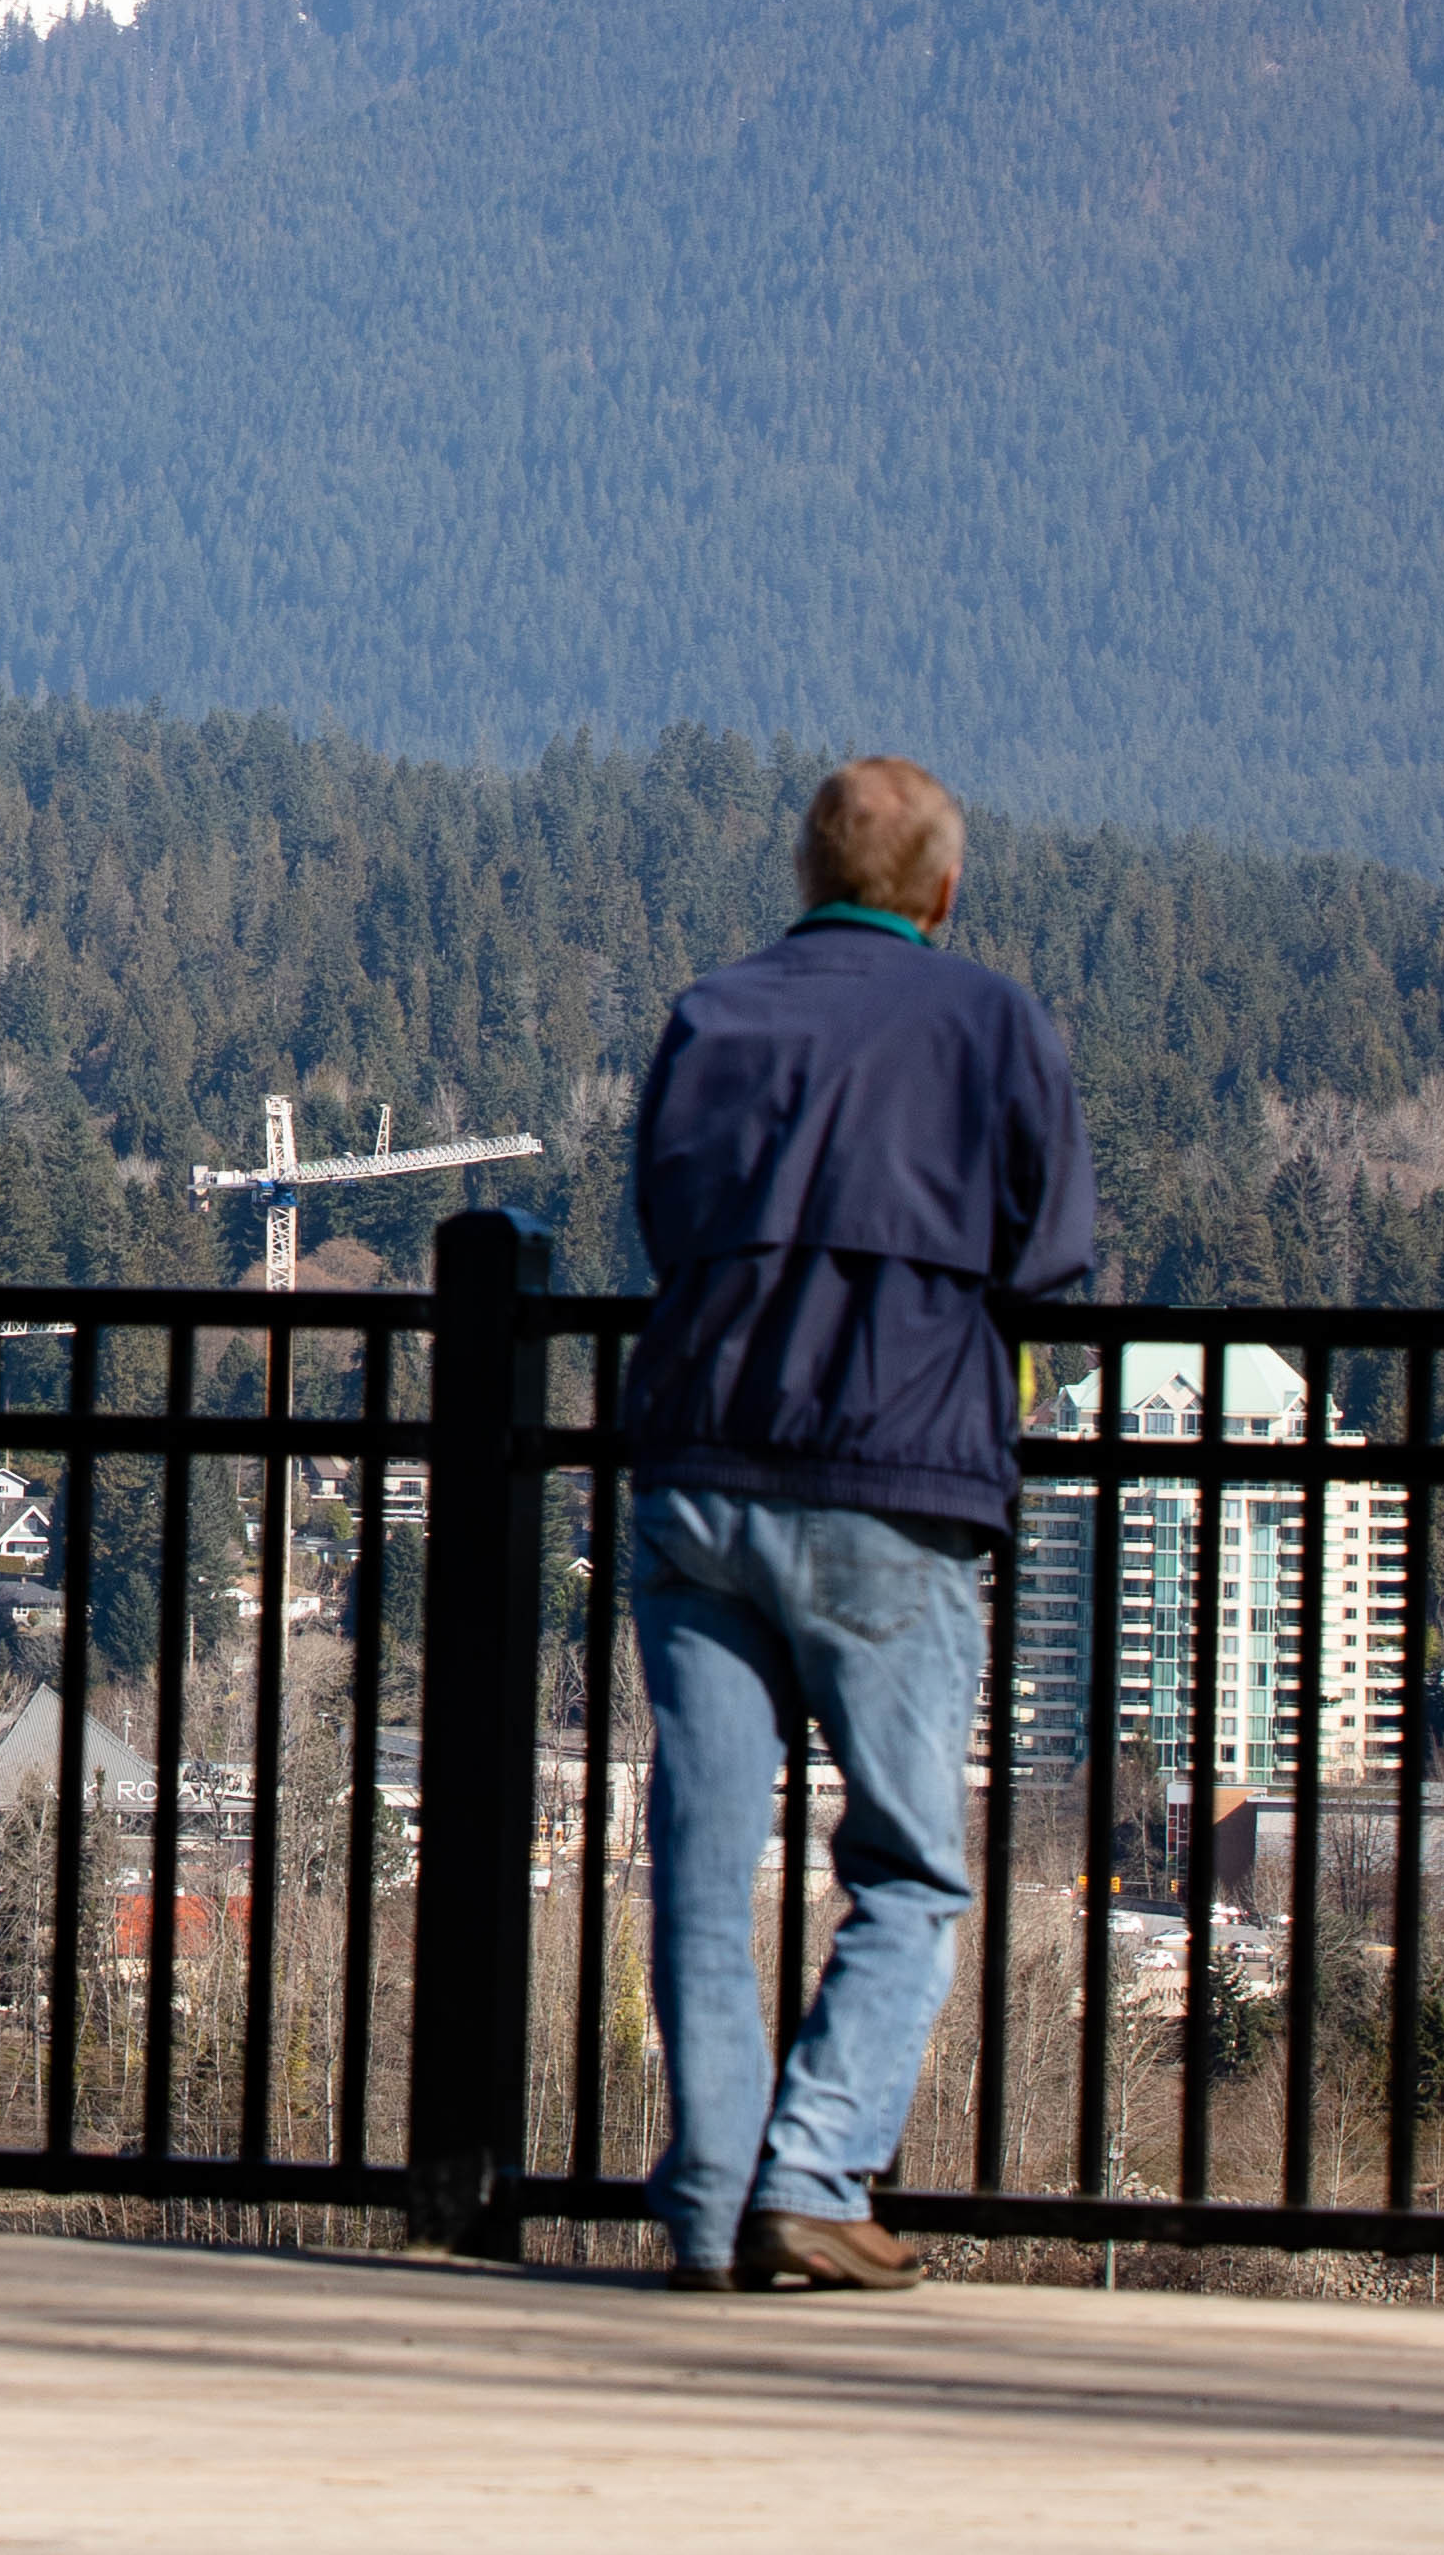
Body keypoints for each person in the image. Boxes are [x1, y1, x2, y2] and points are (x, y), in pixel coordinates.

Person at [621, 753, 1089, 2296]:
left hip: (698, 1465)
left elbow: (665, 1225)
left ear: (806, 879)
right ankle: (810, 2176)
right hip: (895, 1482)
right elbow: (1049, 1267)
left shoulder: (713, 1015)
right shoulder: (992, 1026)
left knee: (697, 1852)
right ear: (941, 892)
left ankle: (702, 2201)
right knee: (906, 1865)